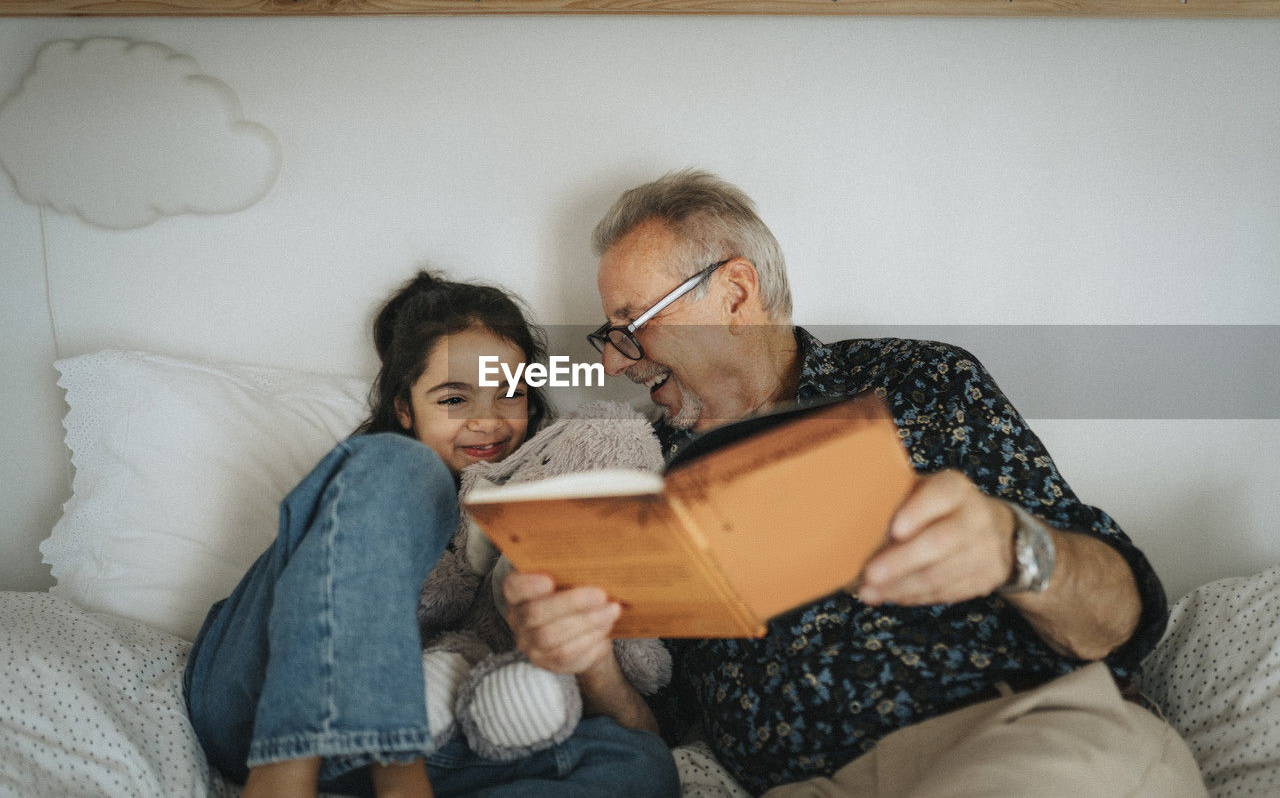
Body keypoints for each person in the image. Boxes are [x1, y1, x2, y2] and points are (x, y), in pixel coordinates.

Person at [503, 171, 1207, 796]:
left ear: (736, 292)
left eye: (635, 326)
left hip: (1012, 732)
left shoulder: (919, 382)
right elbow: (657, 737)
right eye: (611, 334)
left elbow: (1125, 620)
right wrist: (590, 659)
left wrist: (1011, 545)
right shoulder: (642, 472)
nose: (620, 362)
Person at [183, 270, 680, 798]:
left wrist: (588, 651)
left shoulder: (544, 498)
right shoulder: (378, 479)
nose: (487, 422)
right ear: (404, 407)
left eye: (508, 394)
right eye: (452, 399)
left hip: (423, 748)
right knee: (403, 468)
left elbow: (635, 728)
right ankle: (303, 767)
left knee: (642, 765)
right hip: (256, 707)